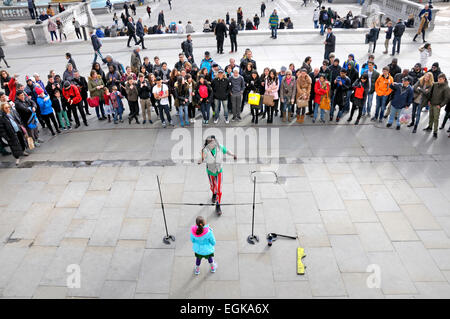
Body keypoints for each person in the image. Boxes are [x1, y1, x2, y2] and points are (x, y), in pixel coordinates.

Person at [198, 136, 237, 215]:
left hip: (219, 171)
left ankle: (218, 205)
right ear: (208, 144)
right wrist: (200, 160)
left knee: (219, 189)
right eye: (211, 142)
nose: (213, 143)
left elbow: (226, 151)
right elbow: (201, 159)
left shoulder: (219, 147)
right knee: (213, 187)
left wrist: (233, 155)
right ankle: (214, 193)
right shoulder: (205, 150)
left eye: (214, 141)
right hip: (210, 171)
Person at [424, 73, 450, 138]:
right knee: (430, 116)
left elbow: (446, 98)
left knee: (436, 119)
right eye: (438, 79)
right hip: (431, 103)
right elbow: (431, 93)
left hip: (437, 105)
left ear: (444, 79)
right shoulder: (435, 84)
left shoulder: (446, 87)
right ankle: (429, 127)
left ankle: (435, 132)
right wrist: (429, 100)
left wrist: (440, 105)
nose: (439, 80)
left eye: (440, 79)